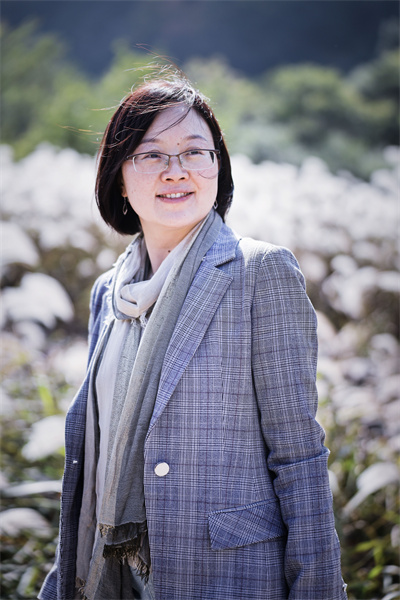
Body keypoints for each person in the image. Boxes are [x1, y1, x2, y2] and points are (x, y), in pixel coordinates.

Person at [39, 69, 348, 600]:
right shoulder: (109, 292)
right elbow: (95, 458)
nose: (176, 170)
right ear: (119, 177)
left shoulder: (260, 273)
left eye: (194, 152)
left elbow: (298, 455)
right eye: (152, 154)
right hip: (113, 574)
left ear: (217, 167)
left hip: (227, 576)